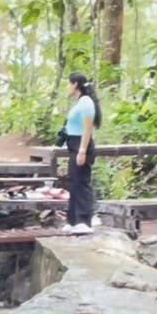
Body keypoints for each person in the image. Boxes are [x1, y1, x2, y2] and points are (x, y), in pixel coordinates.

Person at [63, 73, 101, 235]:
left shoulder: (86, 102)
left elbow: (88, 129)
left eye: (68, 83)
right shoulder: (79, 102)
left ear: (76, 84)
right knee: (74, 182)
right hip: (73, 144)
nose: (67, 87)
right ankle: (72, 220)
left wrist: (82, 150)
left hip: (81, 144)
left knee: (82, 182)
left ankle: (84, 220)